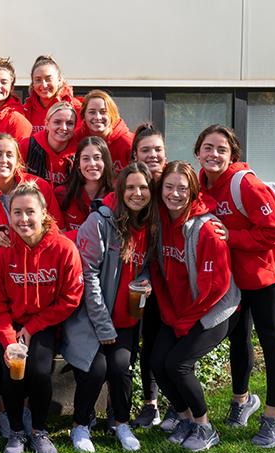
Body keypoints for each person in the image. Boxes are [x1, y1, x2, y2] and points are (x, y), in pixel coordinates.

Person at [195, 124, 275, 448]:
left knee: (270, 339)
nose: (214, 154)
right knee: (238, 338)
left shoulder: (245, 184)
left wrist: (232, 238)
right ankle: (241, 401)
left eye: (221, 149)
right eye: (208, 148)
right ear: (198, 152)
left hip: (268, 275)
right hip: (235, 277)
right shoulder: (199, 186)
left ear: (232, 155)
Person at [0, 181, 84, 453]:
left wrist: (33, 327)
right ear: (9, 214)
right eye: (16, 212)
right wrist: (8, 340)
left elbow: (71, 297)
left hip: (43, 322)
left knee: (38, 372)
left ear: (43, 213)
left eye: (30, 212)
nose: (23, 219)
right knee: (12, 372)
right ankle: (16, 431)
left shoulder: (63, 248)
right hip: (8, 325)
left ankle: (39, 430)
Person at [62, 162, 154, 453]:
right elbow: (87, 275)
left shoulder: (150, 224)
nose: (137, 193)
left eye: (143, 187)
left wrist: (145, 280)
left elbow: (148, 266)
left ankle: (121, 423)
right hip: (91, 317)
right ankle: (80, 426)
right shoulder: (99, 221)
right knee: (96, 368)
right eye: (130, 187)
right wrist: (102, 325)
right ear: (119, 189)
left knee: (120, 366)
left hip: (126, 316)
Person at [150, 161, 239, 452]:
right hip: (177, 311)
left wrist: (185, 321)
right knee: (156, 363)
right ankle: (185, 418)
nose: (175, 194)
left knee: (178, 365)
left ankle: (204, 426)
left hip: (212, 311)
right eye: (169, 187)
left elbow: (215, 288)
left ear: (193, 192)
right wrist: (170, 314)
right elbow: (159, 275)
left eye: (182, 188)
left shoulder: (207, 229)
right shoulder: (160, 223)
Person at [128, 122, 172, 429]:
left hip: (176, 278)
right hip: (145, 279)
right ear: (135, 154)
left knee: (177, 341)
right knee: (149, 338)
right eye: (146, 150)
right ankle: (150, 403)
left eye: (158, 150)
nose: (153, 155)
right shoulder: (135, 188)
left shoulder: (175, 183)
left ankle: (177, 403)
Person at [0, 133, 64, 248]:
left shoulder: (41, 187)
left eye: (9, 155)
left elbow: (58, 230)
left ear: (17, 162)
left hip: (38, 255)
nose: (3, 160)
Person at [55, 136, 115, 239]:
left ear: (106, 161)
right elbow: (57, 237)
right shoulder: (62, 194)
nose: (92, 164)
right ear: (78, 164)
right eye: (86, 159)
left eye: (97, 158)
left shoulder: (116, 195)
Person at [19, 101, 79, 185]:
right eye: (57, 122)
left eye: (69, 123)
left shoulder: (79, 153)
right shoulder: (27, 145)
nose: (63, 128)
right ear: (47, 124)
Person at [75, 90, 133, 173]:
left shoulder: (128, 143)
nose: (98, 117)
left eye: (103, 112)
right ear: (83, 115)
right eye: (92, 112)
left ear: (112, 114)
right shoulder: (76, 140)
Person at [23, 55, 82, 133]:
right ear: (33, 83)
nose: (44, 85)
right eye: (38, 80)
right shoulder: (25, 111)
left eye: (48, 79)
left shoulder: (76, 108)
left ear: (59, 80)